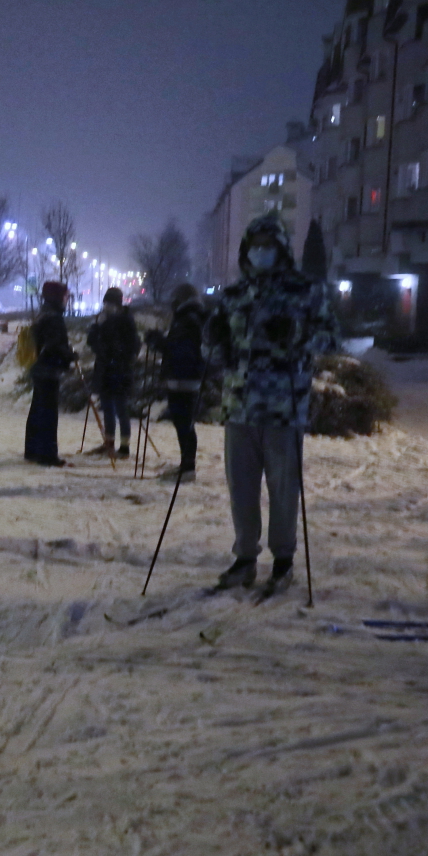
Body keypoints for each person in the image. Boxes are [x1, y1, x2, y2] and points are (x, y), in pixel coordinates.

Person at [204, 212, 339, 595]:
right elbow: (212, 352)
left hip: (283, 408)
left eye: (268, 246)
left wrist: (297, 335)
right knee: (241, 488)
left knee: (283, 490)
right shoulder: (232, 296)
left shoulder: (305, 291)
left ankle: (283, 561)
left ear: (280, 249)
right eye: (255, 246)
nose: (261, 252)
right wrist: (212, 339)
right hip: (240, 407)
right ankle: (245, 557)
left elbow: (331, 339)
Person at [152, 283, 207, 483]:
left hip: (184, 378)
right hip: (185, 378)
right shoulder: (189, 318)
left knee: (184, 423)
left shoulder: (188, 320)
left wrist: (160, 343)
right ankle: (186, 464)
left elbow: (181, 350)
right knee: (182, 423)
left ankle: (188, 467)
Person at [85, 286, 140, 458]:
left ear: (117, 304)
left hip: (120, 371)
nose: (107, 307)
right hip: (105, 370)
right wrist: (96, 327)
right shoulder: (102, 320)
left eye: (110, 303)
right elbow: (92, 342)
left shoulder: (126, 321)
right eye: (105, 303)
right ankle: (108, 443)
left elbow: (134, 346)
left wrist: (120, 354)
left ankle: (124, 448)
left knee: (121, 409)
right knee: (107, 408)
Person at [24, 280, 74, 466]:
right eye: (65, 296)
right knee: (48, 413)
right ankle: (47, 454)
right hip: (48, 369)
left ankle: (33, 449)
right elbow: (54, 346)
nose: (67, 300)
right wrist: (69, 355)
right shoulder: (54, 317)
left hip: (40, 367)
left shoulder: (43, 314)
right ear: (57, 297)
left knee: (38, 409)